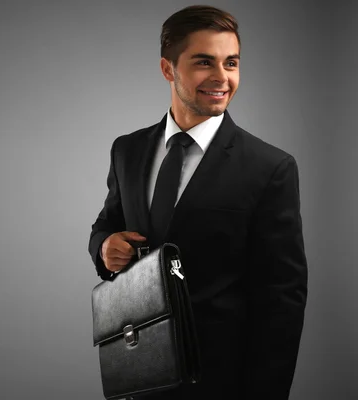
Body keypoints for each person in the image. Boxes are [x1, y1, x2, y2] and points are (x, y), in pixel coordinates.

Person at [88, 5, 308, 400]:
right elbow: (107, 224)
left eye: (232, 63)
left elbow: (282, 300)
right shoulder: (128, 150)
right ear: (168, 69)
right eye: (205, 62)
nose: (222, 77)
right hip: (136, 373)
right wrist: (105, 247)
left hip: (221, 382)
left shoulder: (270, 167)